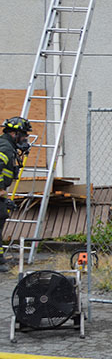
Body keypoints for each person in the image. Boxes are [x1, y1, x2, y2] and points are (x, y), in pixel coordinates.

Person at [0, 116, 32, 272]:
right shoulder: (5, 148)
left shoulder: (8, 146)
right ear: (14, 133)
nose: (25, 138)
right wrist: (1, 193)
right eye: (24, 134)